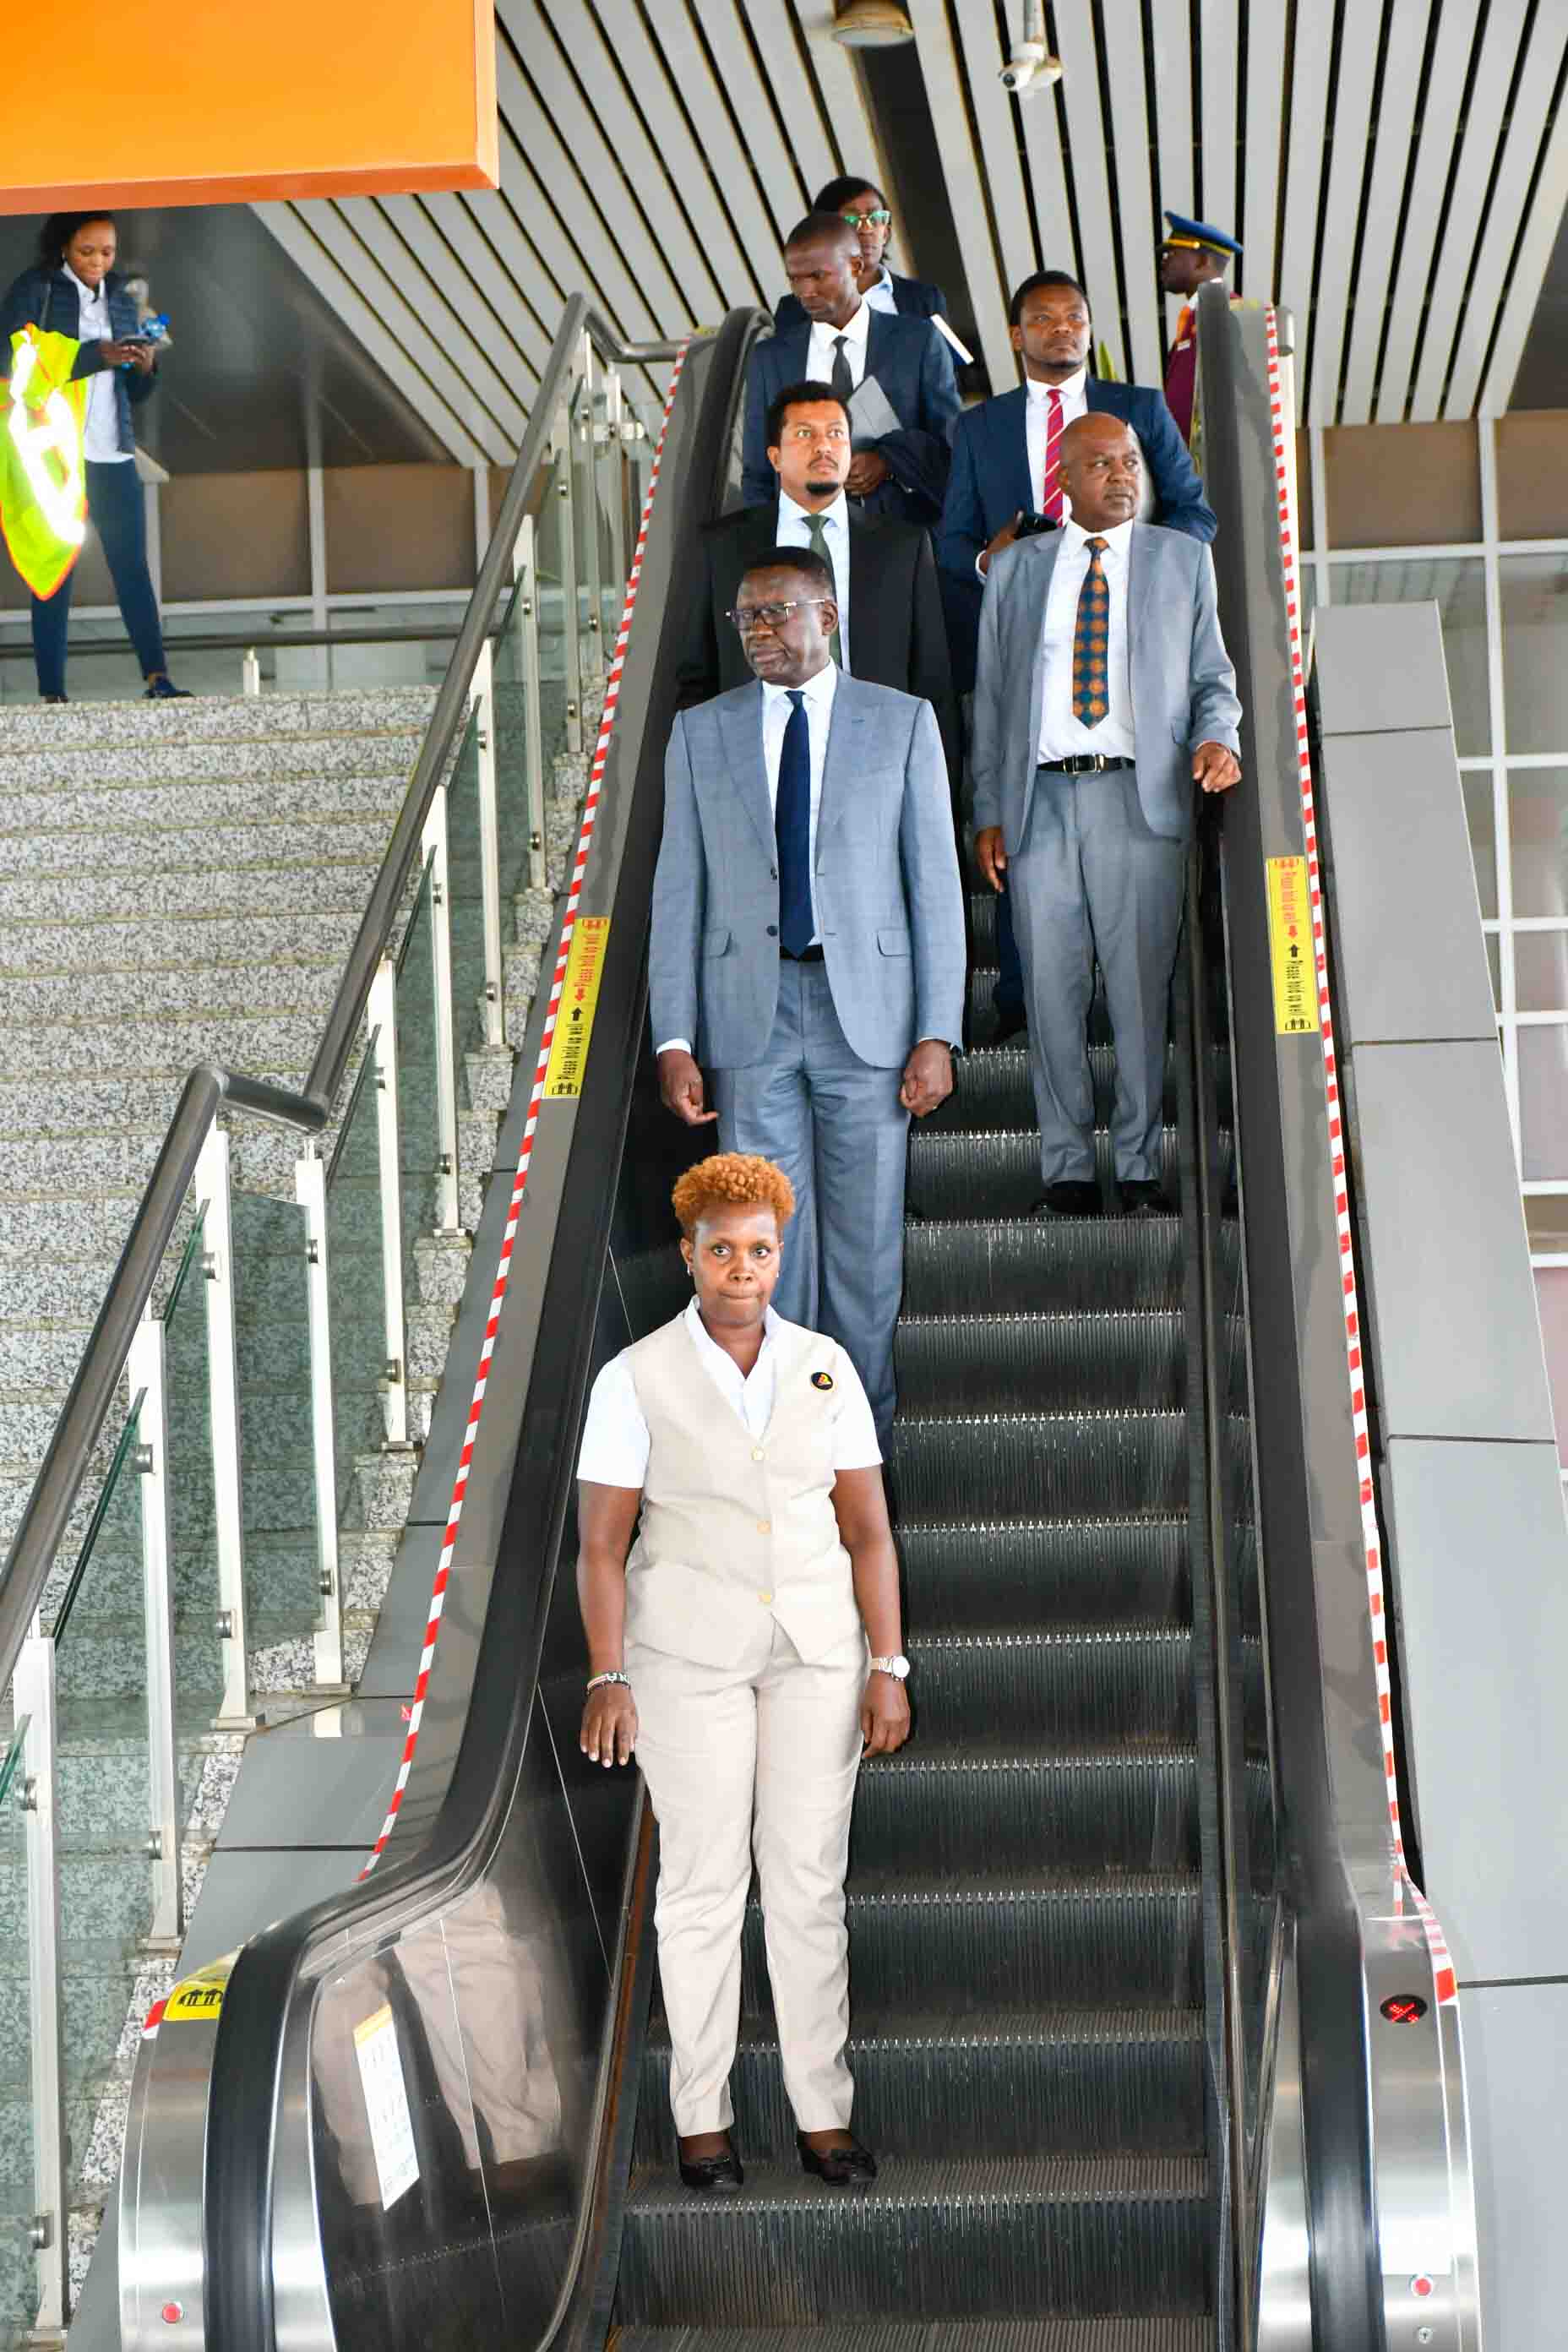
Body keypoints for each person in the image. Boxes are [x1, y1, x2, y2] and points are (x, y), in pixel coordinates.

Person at [575, 1152, 911, 2191]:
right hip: (686, 1659)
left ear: (780, 1253)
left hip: (817, 1652)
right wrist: (607, 1675)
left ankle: (824, 2115)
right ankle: (702, 2120)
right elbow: (599, 1545)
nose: (740, 1268)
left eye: (758, 1250)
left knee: (809, 1882)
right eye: (719, 1250)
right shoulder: (633, 1378)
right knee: (702, 1885)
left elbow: (867, 1532)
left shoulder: (825, 1366)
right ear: (686, 1255)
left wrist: (887, 1662)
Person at [651, 546, 966, 1440]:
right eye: (745, 617)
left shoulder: (899, 722)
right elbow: (678, 888)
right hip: (746, 1020)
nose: (759, 631)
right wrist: (673, 1036)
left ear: (827, 616)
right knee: (763, 1238)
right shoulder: (700, 732)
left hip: (866, 1016)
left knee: (867, 1240)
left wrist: (935, 1030)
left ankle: (858, 1427)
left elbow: (932, 885)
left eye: (777, 612)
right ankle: (788, 1425)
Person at [971, 414, 1242, 1217]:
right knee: (1051, 993)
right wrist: (988, 811)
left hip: (1139, 799)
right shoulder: (1017, 572)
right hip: (1040, 804)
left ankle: (1135, 1163)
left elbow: (1213, 678)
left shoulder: (1183, 561)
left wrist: (1217, 737)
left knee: (1137, 995)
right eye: (1099, 464)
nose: (1121, 475)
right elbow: (988, 703)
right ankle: (1065, 1169)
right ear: (1063, 477)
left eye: (1129, 461)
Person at [937, 268, 1216, 1040]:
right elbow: (952, 542)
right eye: (1043, 318)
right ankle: (1025, 1001)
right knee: (1022, 831)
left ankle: (1137, 1011)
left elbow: (1194, 512)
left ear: (1091, 329)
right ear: (1017, 335)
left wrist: (1146, 572)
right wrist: (994, 563)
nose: (1062, 328)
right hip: (1028, 655)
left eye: (1075, 316)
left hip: (1129, 657)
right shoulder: (981, 427)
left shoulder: (1137, 410)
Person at [675, 378, 959, 784]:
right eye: (805, 434)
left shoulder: (903, 545)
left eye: (836, 434)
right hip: (757, 770)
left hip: (879, 769)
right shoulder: (723, 546)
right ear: (774, 456)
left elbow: (933, 683)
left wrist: (938, 792)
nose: (824, 446)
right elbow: (695, 679)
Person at [0, 214, 189, 703]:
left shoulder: (124, 294)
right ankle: (52, 694)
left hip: (112, 451)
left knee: (131, 567)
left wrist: (145, 368)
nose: (98, 262)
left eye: (107, 251)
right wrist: (94, 354)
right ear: (64, 247)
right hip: (57, 455)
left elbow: (137, 392)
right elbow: (15, 359)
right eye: (87, 251)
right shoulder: (36, 288)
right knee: (55, 566)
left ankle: (157, 678)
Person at [742, 214, 960, 526]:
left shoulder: (918, 342)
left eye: (818, 276)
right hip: (805, 542)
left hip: (902, 537)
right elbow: (758, 469)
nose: (805, 291)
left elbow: (949, 446)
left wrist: (889, 461)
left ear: (856, 267)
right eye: (795, 279)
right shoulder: (770, 358)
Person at [773, 176, 948, 329]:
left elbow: (948, 364)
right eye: (851, 219)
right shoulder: (794, 309)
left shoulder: (924, 299)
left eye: (876, 218)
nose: (866, 229)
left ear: (885, 233)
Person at [1157, 213, 1244, 446]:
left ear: (1201, 262)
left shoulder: (1231, 314)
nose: (1164, 261)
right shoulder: (1197, 315)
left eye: (1172, 253)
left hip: (1216, 464)